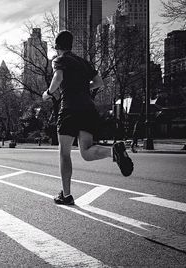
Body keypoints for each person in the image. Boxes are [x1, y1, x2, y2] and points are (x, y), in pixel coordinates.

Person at [42, 30, 134, 205]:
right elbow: (99, 82)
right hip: (88, 110)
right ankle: (113, 151)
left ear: (57, 47)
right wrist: (83, 88)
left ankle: (66, 195)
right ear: (71, 45)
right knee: (86, 152)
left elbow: (58, 77)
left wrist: (48, 93)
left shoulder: (60, 60)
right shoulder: (84, 63)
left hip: (69, 109)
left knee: (64, 153)